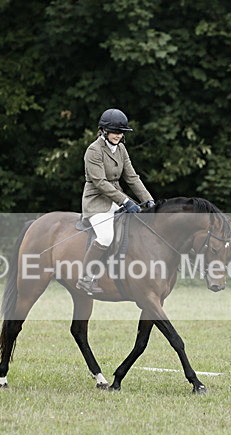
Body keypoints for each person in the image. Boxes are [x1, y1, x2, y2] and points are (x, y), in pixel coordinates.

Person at [76, 108, 154, 295]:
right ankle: (85, 278)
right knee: (106, 236)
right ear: (103, 131)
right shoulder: (93, 151)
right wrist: (125, 201)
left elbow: (132, 177)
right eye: (114, 131)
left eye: (121, 132)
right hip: (96, 201)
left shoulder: (121, 149)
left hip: (116, 198)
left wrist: (149, 200)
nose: (118, 135)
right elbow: (100, 182)